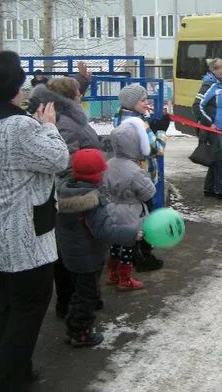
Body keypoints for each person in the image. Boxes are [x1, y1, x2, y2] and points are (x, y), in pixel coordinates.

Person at [0, 51, 69, 391]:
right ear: (10, 91)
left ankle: (17, 369)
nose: (24, 94)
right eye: (20, 88)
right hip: (19, 235)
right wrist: (49, 126)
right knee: (28, 309)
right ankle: (4, 381)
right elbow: (59, 159)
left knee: (6, 304)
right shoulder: (19, 126)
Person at [29, 76, 102, 318]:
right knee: (70, 251)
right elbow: (65, 161)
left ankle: (76, 299)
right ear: (71, 96)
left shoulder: (67, 116)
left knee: (70, 250)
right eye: (79, 92)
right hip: (72, 194)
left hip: (78, 188)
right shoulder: (65, 122)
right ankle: (69, 303)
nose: (82, 95)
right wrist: (83, 181)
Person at [56, 148, 143, 346]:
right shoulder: (91, 201)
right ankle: (81, 332)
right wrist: (131, 234)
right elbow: (103, 231)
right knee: (86, 295)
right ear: (97, 175)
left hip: (71, 254)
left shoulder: (67, 190)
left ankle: (74, 325)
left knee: (79, 292)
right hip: (87, 257)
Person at [114, 83, 168, 271]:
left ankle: (134, 256)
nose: (146, 103)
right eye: (143, 100)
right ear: (132, 102)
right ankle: (143, 256)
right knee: (145, 217)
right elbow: (157, 150)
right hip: (141, 178)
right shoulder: (138, 122)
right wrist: (161, 130)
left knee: (136, 217)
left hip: (127, 176)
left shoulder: (120, 116)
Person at [104, 118, 157, 290]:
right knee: (128, 244)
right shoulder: (134, 170)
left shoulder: (108, 164)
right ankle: (125, 279)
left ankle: (112, 273)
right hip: (130, 212)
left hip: (111, 209)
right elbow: (148, 193)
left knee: (114, 243)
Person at [192, 58, 222, 200]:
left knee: (216, 158)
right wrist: (209, 123)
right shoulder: (209, 85)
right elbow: (197, 106)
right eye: (221, 68)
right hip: (212, 129)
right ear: (213, 70)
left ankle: (209, 189)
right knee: (221, 159)